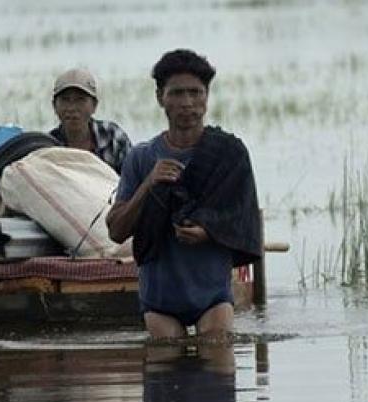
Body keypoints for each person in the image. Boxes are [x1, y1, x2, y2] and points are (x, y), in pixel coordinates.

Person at [105, 49, 263, 339]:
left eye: (195, 92)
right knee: (165, 355)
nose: (187, 103)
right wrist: (148, 184)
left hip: (212, 295)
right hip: (160, 299)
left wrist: (208, 231)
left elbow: (244, 221)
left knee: (216, 351)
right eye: (177, 93)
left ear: (207, 96)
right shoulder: (141, 158)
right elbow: (116, 231)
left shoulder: (230, 155)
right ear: (160, 97)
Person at [48, 68, 132, 174]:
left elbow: (132, 180)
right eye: (65, 100)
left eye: (80, 100)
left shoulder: (112, 136)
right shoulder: (49, 147)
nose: (72, 108)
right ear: (54, 106)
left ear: (94, 105)